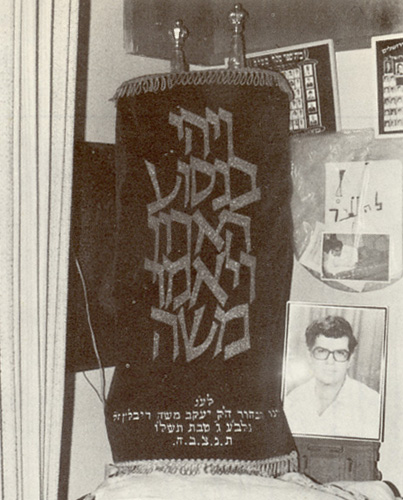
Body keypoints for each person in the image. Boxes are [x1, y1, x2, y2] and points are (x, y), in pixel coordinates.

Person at [284, 315, 380, 439]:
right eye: (321, 351)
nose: (330, 362)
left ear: (350, 360)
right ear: (309, 356)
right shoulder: (292, 400)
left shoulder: (372, 404)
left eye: (340, 353)